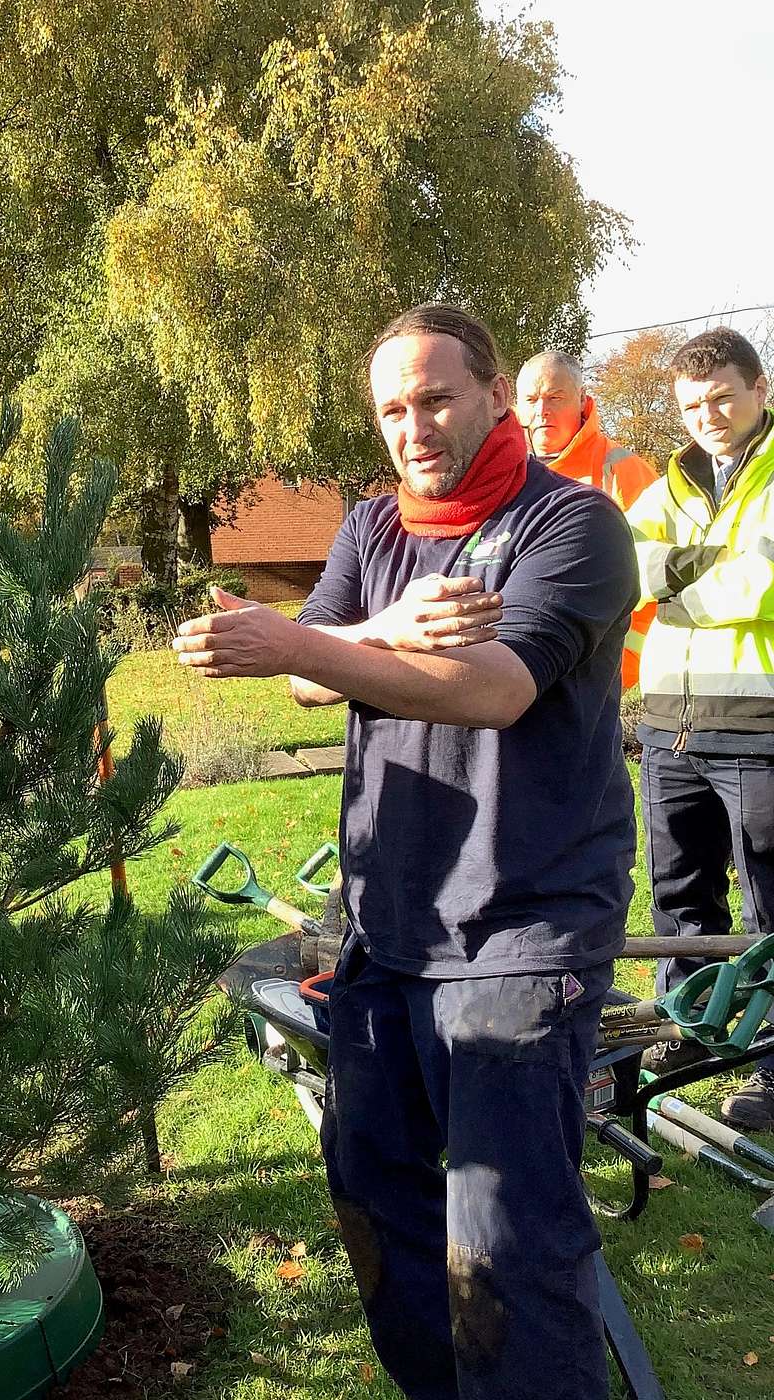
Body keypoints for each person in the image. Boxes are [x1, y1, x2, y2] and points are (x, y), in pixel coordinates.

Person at [173, 304, 637, 1400]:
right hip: (386, 924)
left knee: (506, 1241)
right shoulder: (372, 532)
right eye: (390, 407)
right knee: (375, 1193)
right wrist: (372, 630)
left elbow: (491, 687)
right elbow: (305, 676)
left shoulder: (566, 525)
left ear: (490, 393)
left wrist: (300, 638)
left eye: (433, 398)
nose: (412, 426)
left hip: (522, 925)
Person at [625, 326, 774, 1128]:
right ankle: (689, 1030)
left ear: (760, 390)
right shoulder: (672, 483)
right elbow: (627, 563)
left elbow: (765, 582)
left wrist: (679, 578)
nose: (707, 415)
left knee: (769, 908)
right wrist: (712, 566)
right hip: (670, 728)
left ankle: (772, 1062)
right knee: (681, 900)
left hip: (760, 725)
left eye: (722, 397)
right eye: (691, 404)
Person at [516, 349, 657, 686]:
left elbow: (652, 578)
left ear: (582, 400)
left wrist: (622, 668)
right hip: (510, 672)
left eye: (554, 397)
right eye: (531, 399)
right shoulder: (501, 474)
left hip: (594, 677)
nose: (541, 411)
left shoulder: (624, 471)